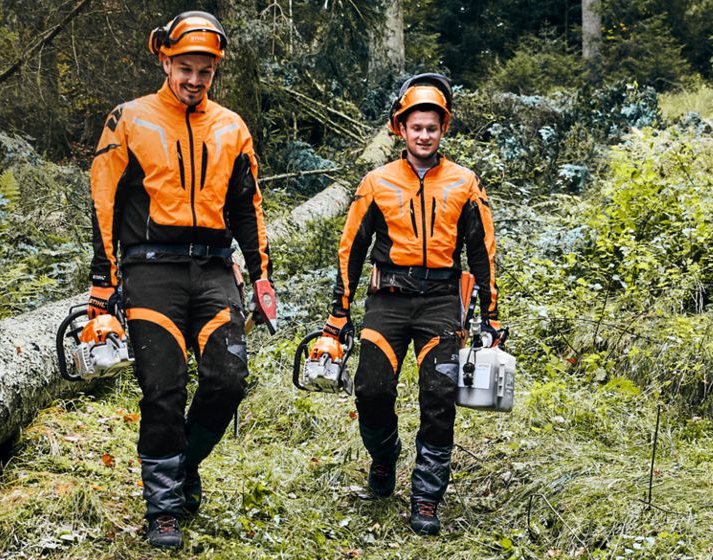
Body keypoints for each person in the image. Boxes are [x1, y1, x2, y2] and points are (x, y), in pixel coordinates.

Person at [86, 10, 277, 549]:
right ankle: (163, 508)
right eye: (185, 67)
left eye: (205, 71)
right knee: (163, 390)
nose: (194, 80)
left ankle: (182, 465)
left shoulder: (232, 127)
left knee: (228, 379)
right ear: (165, 60)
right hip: (151, 270)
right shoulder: (129, 119)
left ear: (215, 72)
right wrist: (104, 283)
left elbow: (248, 206)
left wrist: (262, 275)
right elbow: (104, 202)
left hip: (216, 268)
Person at [318, 73, 501, 536]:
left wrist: (490, 314)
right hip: (388, 301)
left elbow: (482, 251)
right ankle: (384, 456)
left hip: (442, 300)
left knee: (439, 398)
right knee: (372, 389)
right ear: (399, 128)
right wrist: (337, 316)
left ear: (444, 130)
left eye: (432, 128)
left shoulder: (464, 182)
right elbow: (351, 249)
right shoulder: (376, 182)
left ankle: (425, 497)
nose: (424, 135)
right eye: (415, 127)